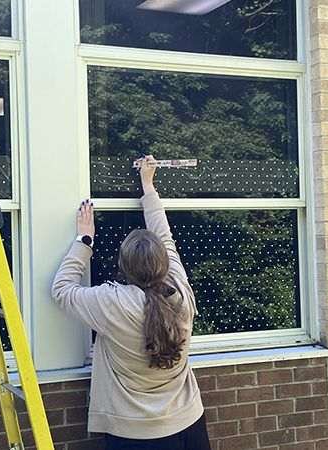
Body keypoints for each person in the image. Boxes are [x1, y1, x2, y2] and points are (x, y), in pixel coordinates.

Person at [52, 155, 210, 450]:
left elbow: (62, 290)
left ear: (123, 267)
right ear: (164, 261)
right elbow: (165, 236)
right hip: (189, 425)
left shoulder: (112, 303)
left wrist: (84, 241)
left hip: (134, 436)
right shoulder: (180, 291)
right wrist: (148, 188)